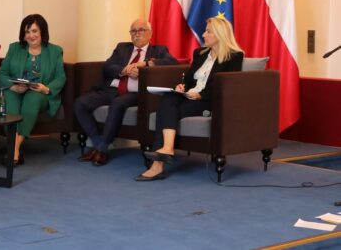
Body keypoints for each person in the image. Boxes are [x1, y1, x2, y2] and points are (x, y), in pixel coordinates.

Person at [136, 16, 244, 181]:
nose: (203, 34)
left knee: (165, 113)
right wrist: (182, 87)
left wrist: (200, 94)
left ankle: (157, 165)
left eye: (208, 32)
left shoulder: (234, 57)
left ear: (220, 34)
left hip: (208, 101)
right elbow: (188, 80)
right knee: (168, 98)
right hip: (189, 95)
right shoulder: (200, 53)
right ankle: (168, 148)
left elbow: (228, 85)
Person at [73, 18, 178, 166]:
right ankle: (98, 144)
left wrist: (145, 64)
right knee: (80, 103)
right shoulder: (122, 47)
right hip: (112, 89)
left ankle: (101, 150)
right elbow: (108, 66)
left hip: (135, 93)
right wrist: (124, 70)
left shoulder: (159, 50)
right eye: (133, 31)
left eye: (141, 30)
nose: (137, 34)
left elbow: (172, 62)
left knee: (118, 103)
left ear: (150, 33)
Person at [0, 14, 66, 166]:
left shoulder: (55, 51)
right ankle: (15, 150)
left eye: (34, 31)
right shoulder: (15, 48)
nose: (31, 35)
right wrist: (14, 86)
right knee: (9, 99)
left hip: (39, 93)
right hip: (16, 89)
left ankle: (13, 148)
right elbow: (2, 74)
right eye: (27, 32)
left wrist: (46, 88)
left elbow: (60, 77)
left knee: (32, 98)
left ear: (42, 32)